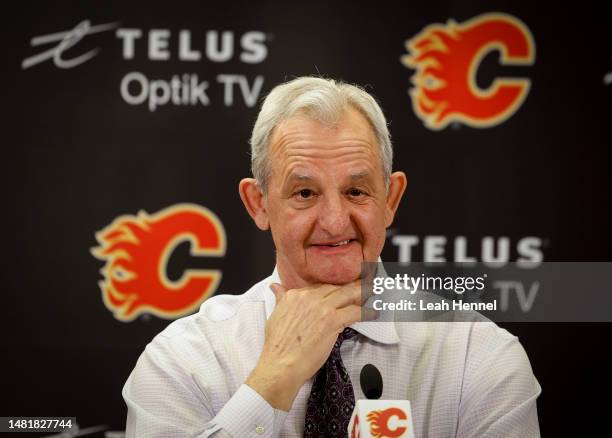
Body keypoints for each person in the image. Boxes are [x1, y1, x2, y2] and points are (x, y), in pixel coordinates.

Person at [123, 76, 541, 437]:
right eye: (305, 193)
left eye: (356, 191)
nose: (336, 221)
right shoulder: (182, 361)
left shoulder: (478, 355)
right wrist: (270, 383)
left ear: (390, 199)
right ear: (259, 204)